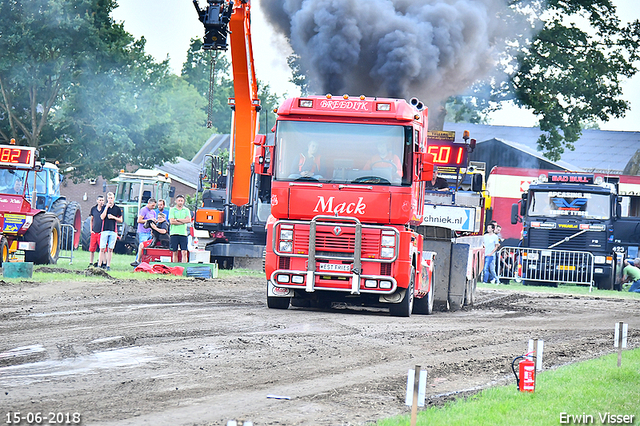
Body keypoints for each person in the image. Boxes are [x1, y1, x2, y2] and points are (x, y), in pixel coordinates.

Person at [99, 192, 123, 271]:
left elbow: (120, 220)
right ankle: (100, 264)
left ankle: (108, 265)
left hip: (113, 231)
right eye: (109, 198)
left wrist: (113, 217)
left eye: (111, 198)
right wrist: (106, 208)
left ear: (114, 199)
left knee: (110, 249)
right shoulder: (104, 207)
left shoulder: (117, 208)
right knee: (102, 248)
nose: (110, 200)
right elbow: (102, 217)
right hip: (104, 230)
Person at [131, 198, 157, 265]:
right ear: (149, 203)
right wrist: (149, 220)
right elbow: (139, 220)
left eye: (154, 206)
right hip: (143, 232)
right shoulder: (143, 210)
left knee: (148, 249)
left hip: (150, 232)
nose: (153, 207)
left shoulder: (153, 212)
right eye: (152, 205)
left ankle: (145, 263)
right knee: (142, 248)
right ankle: (137, 263)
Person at [169, 195, 191, 263]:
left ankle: (183, 265)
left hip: (183, 233)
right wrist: (183, 221)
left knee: (184, 251)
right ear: (176, 201)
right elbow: (172, 221)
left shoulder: (186, 210)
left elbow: (188, 220)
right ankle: (175, 266)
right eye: (179, 201)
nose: (180, 202)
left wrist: (178, 220)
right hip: (174, 233)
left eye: (181, 201)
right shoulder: (172, 210)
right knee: (175, 252)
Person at [88, 195, 105, 268]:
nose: (101, 202)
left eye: (102, 200)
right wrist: (91, 229)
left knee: (102, 248)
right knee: (92, 248)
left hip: (101, 232)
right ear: (97, 201)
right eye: (100, 200)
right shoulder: (93, 209)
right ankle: (91, 262)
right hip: (94, 232)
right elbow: (91, 219)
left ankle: (102, 262)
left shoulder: (104, 209)